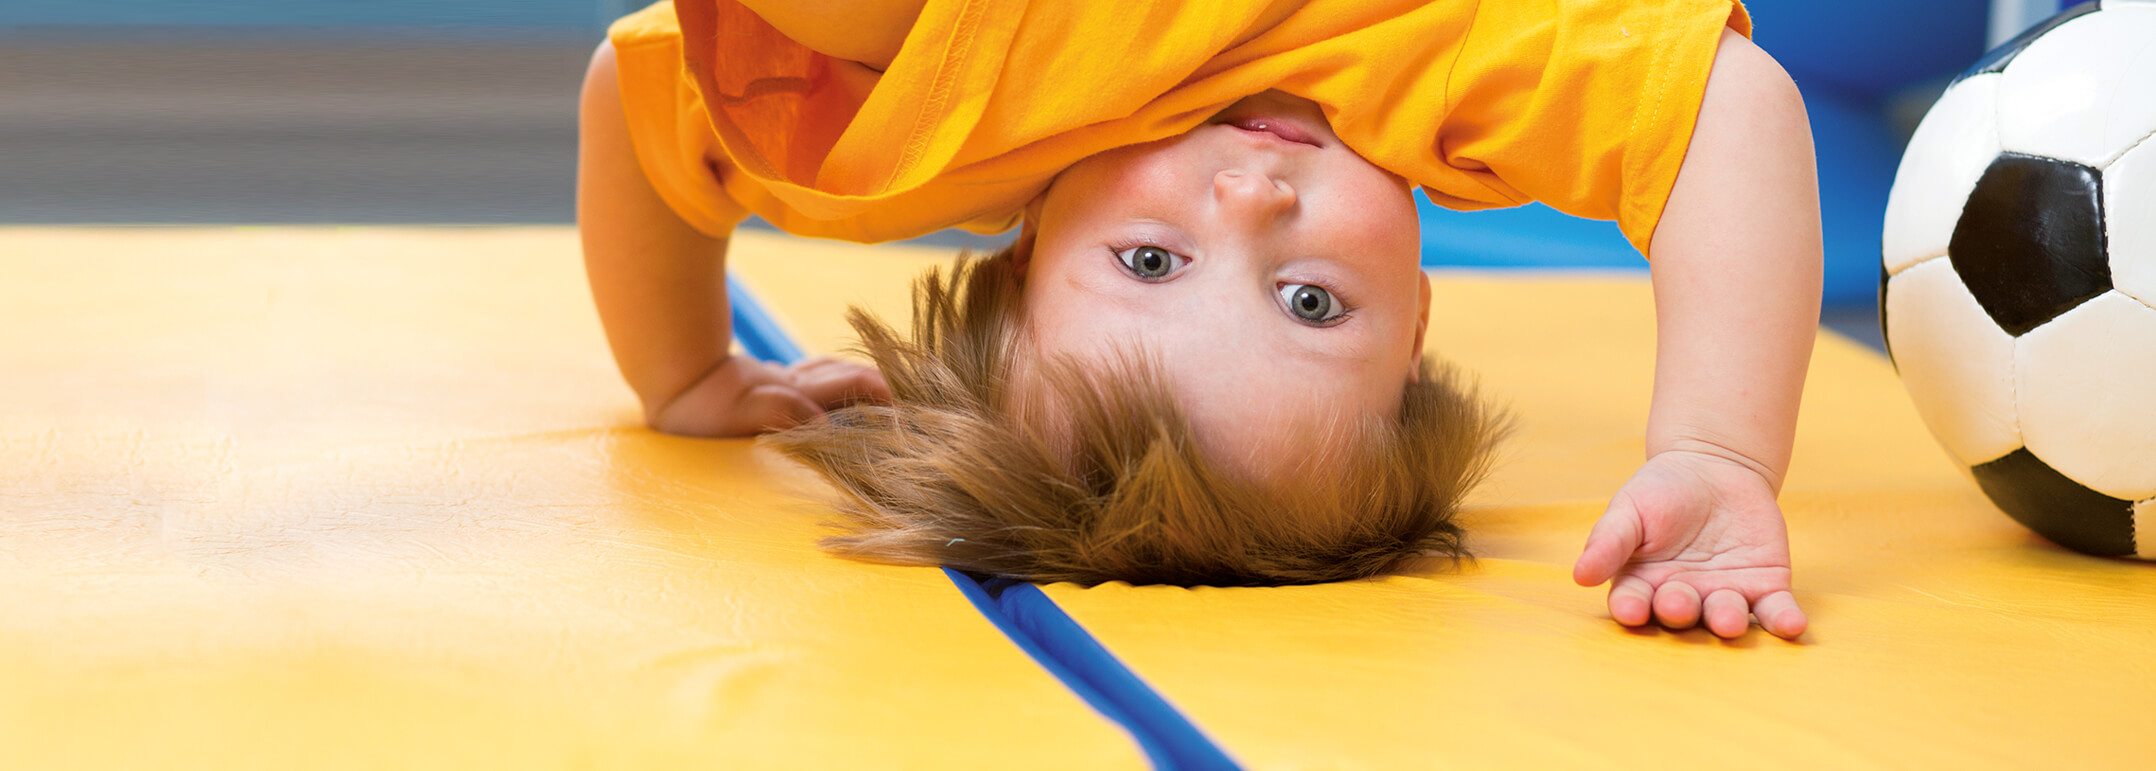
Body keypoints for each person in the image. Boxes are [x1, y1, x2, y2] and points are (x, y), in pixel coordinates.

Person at [578, 0, 1820, 640]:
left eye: (1152, 259)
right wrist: (1714, 447)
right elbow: (1724, 108)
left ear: (1021, 263)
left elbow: (645, 110)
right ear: (1414, 320)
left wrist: (681, 370)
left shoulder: (930, 117)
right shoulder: (1441, 65)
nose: (1251, 199)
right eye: (1310, 301)